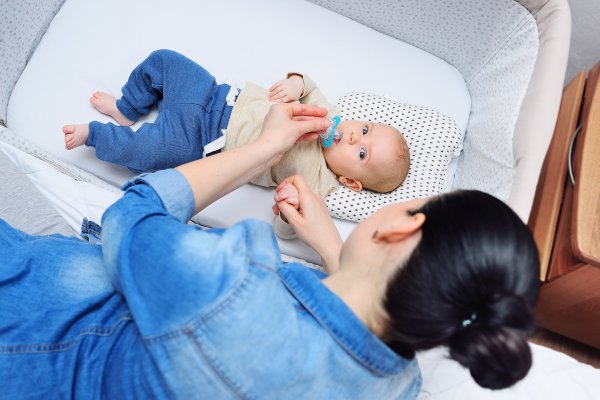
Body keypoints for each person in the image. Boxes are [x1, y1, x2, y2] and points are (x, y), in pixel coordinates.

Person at [1, 103, 539, 399]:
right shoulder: (396, 387)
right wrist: (335, 249)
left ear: (400, 229)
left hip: (33, 335)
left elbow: (134, 216)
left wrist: (262, 148)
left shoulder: (234, 287)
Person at [62, 49, 410, 198]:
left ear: (349, 180)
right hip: (214, 96)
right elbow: (309, 84)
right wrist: (295, 84)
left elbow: (288, 226)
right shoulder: (327, 114)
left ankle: (95, 134)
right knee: (165, 60)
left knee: (146, 151)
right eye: (365, 130)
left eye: (362, 153)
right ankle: (127, 106)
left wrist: (289, 208)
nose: (352, 138)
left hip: (201, 143)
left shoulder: (318, 182)